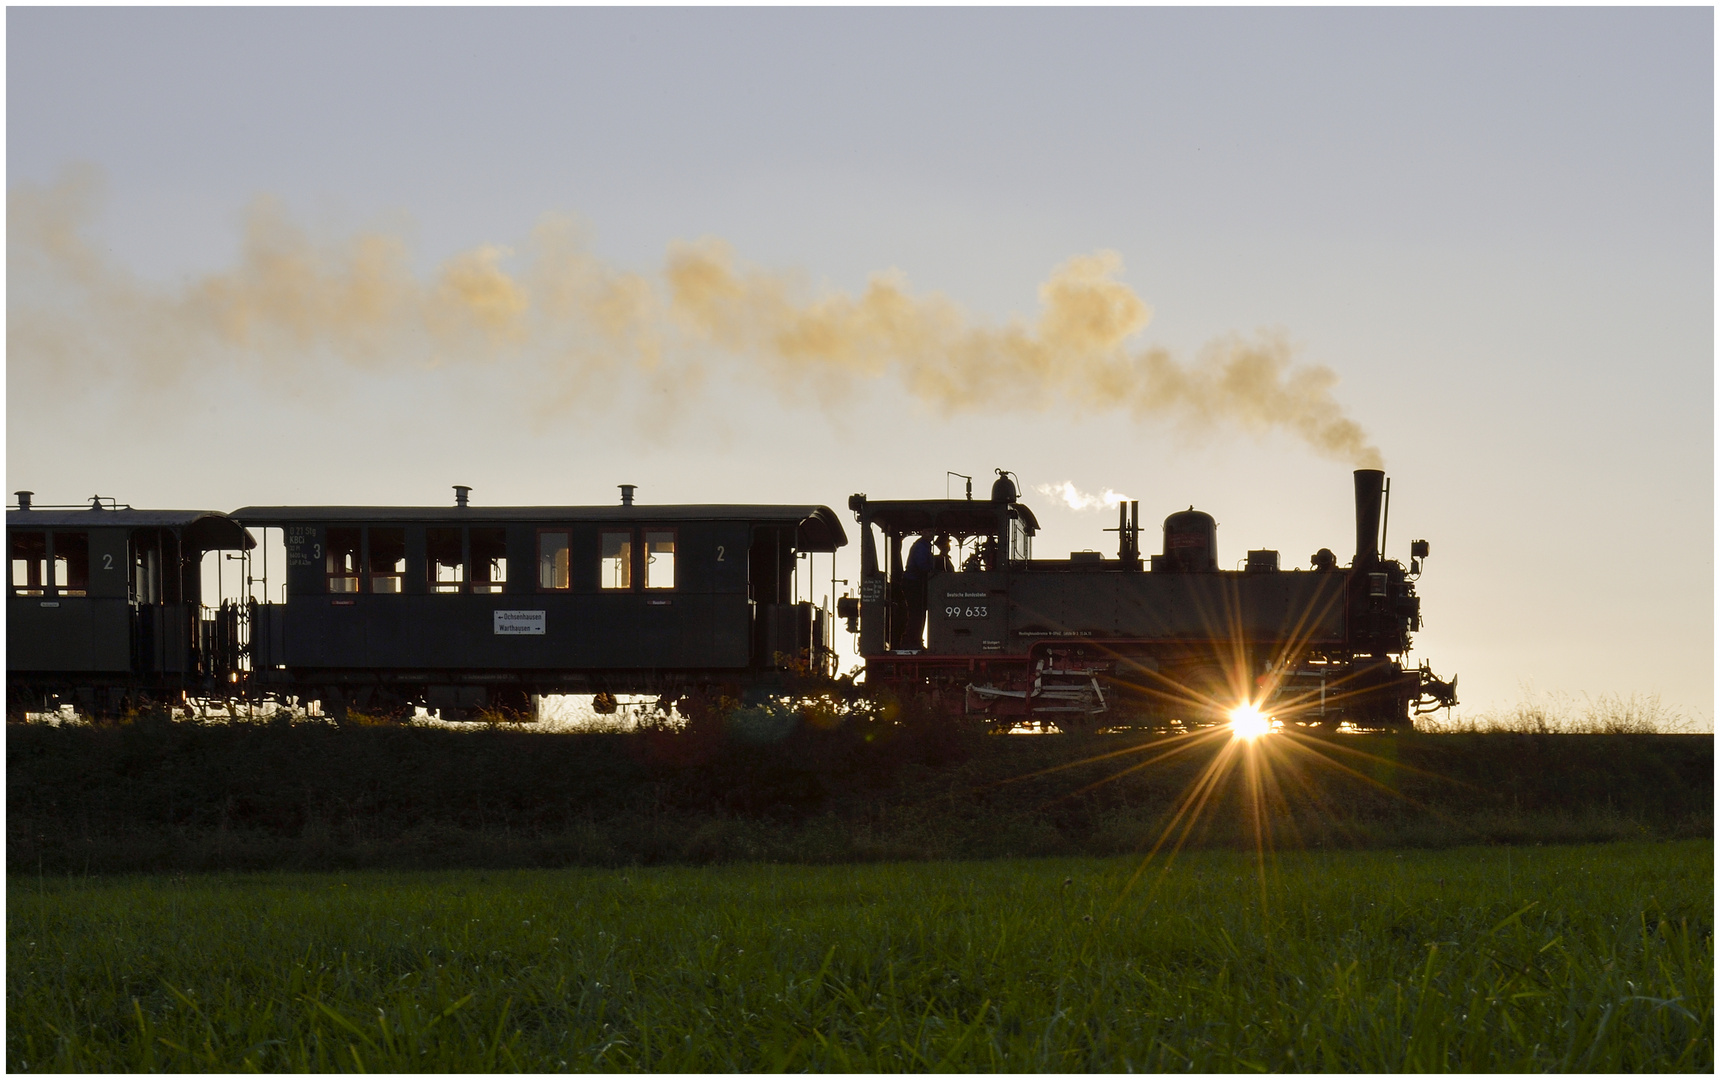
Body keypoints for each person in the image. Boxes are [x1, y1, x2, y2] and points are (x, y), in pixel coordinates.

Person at [899, 533, 934, 649]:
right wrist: (933, 570)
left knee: (919, 613)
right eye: (928, 531)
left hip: (916, 583)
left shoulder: (924, 546)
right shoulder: (920, 547)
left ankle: (916, 640)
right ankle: (910, 641)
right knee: (917, 613)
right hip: (913, 583)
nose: (931, 534)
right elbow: (922, 566)